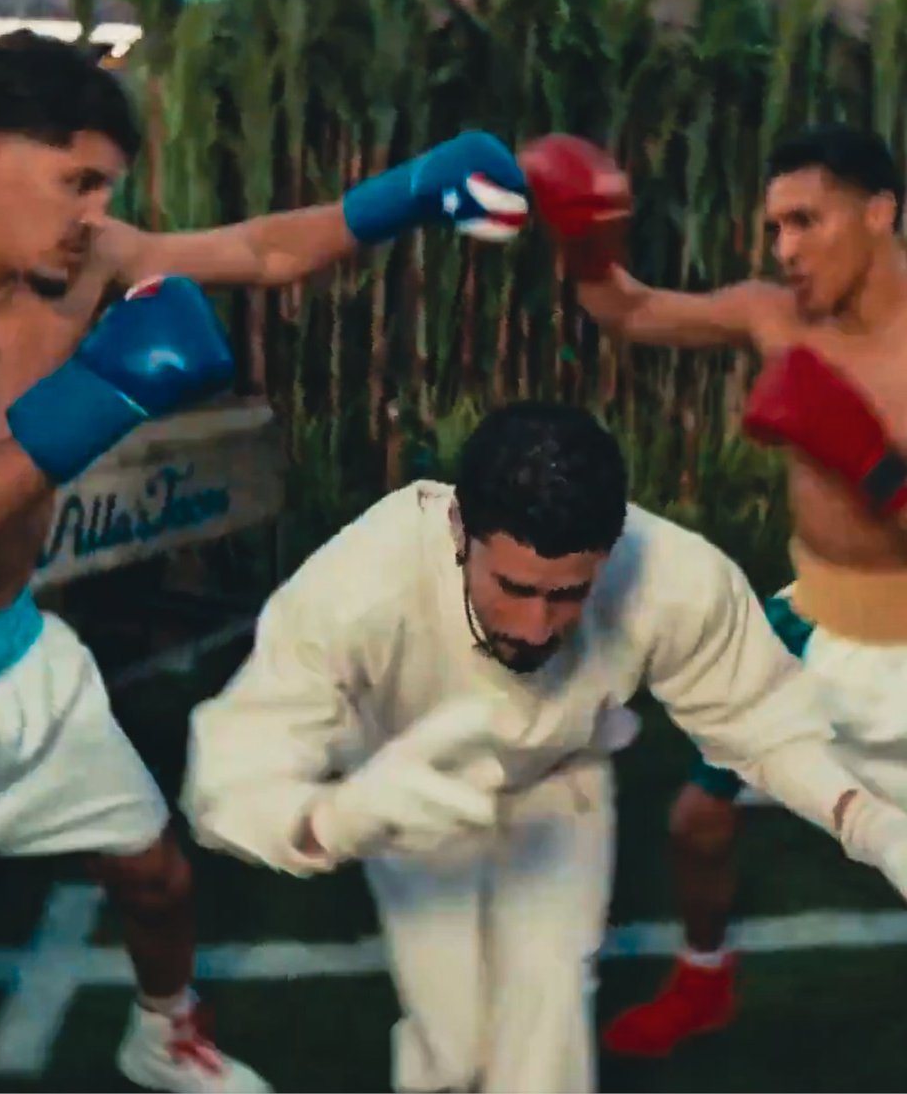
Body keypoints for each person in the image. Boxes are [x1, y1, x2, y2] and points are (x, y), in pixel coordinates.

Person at [0, 28, 528, 1092]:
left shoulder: (84, 263)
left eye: (104, 189)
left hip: (24, 659)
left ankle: (162, 1033)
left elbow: (257, 251)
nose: (95, 215)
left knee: (155, 875)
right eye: (76, 181)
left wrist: (404, 194)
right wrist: (103, 397)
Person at [183, 399, 907, 1094]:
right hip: (409, 789)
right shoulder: (356, 590)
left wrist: (868, 822)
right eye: (515, 587)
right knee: (454, 1043)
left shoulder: (675, 580)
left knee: (547, 1019)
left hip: (562, 783)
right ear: (459, 527)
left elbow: (761, 725)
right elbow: (224, 783)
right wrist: (337, 818)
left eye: (568, 593)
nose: (536, 627)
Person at [527, 122, 907, 1058]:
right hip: (809, 616)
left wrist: (868, 459)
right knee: (699, 817)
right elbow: (629, 311)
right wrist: (586, 239)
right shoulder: (771, 314)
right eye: (775, 227)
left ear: (880, 213)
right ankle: (705, 979)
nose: (784, 250)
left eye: (806, 222)